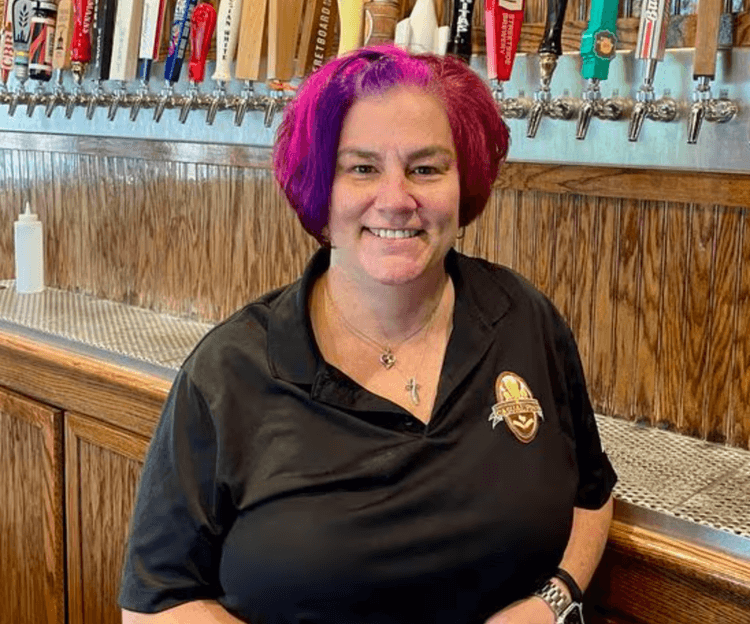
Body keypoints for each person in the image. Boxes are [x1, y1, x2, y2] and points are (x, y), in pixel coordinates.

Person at [119, 44, 617, 624]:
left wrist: (551, 601)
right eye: (361, 168)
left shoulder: (523, 317)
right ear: (319, 190)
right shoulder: (231, 370)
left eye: (426, 168)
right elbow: (157, 604)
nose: (396, 200)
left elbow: (592, 492)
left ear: (465, 184)